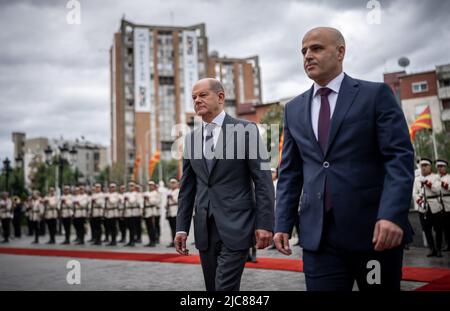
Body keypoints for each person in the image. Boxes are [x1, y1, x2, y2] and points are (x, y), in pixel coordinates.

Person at [274, 27, 414, 291]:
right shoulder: (293, 109)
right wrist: (282, 222)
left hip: (375, 234)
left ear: (340, 52)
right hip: (319, 240)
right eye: (303, 51)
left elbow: (399, 158)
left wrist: (392, 215)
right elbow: (291, 173)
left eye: (316, 48)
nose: (307, 56)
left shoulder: (375, 95)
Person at [175, 78, 274, 291]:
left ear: (220, 97)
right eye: (194, 97)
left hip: (237, 224)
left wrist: (265, 223)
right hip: (204, 229)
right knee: (212, 288)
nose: (197, 101)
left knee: (224, 288)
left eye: (202, 95)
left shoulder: (246, 130)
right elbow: (187, 189)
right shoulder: (191, 140)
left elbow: (263, 180)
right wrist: (181, 228)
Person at [413, 158, 443, 257]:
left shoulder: (436, 177)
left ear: (430, 166)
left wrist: (427, 182)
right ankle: (432, 249)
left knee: (438, 229)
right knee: (426, 229)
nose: (424, 167)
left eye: (426, 165)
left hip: (435, 205)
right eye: (422, 166)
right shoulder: (417, 179)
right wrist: (420, 202)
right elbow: (414, 193)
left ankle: (438, 249)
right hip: (423, 207)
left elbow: (437, 189)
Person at [436, 159, 450, 251]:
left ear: (445, 167)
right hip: (440, 204)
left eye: (442, 167)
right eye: (438, 167)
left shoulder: (449, 177)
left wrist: (442, 183)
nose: (440, 169)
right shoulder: (436, 178)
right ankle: (448, 244)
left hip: (448, 201)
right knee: (445, 226)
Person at [143, 181, 161, 247]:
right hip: (147, 211)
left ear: (154, 186)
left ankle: (153, 241)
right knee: (148, 227)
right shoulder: (146, 193)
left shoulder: (156, 193)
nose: (150, 186)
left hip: (152, 212)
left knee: (152, 227)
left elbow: (155, 202)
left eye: (151, 185)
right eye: (149, 185)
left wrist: (148, 199)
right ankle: (150, 240)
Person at [166, 178, 179, 248]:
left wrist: (171, 198)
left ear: (177, 184)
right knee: (172, 228)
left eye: (174, 183)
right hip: (170, 211)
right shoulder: (169, 191)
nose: (172, 184)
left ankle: (178, 242)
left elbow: (178, 201)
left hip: (176, 211)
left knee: (176, 228)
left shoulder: (178, 191)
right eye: (171, 183)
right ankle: (173, 241)